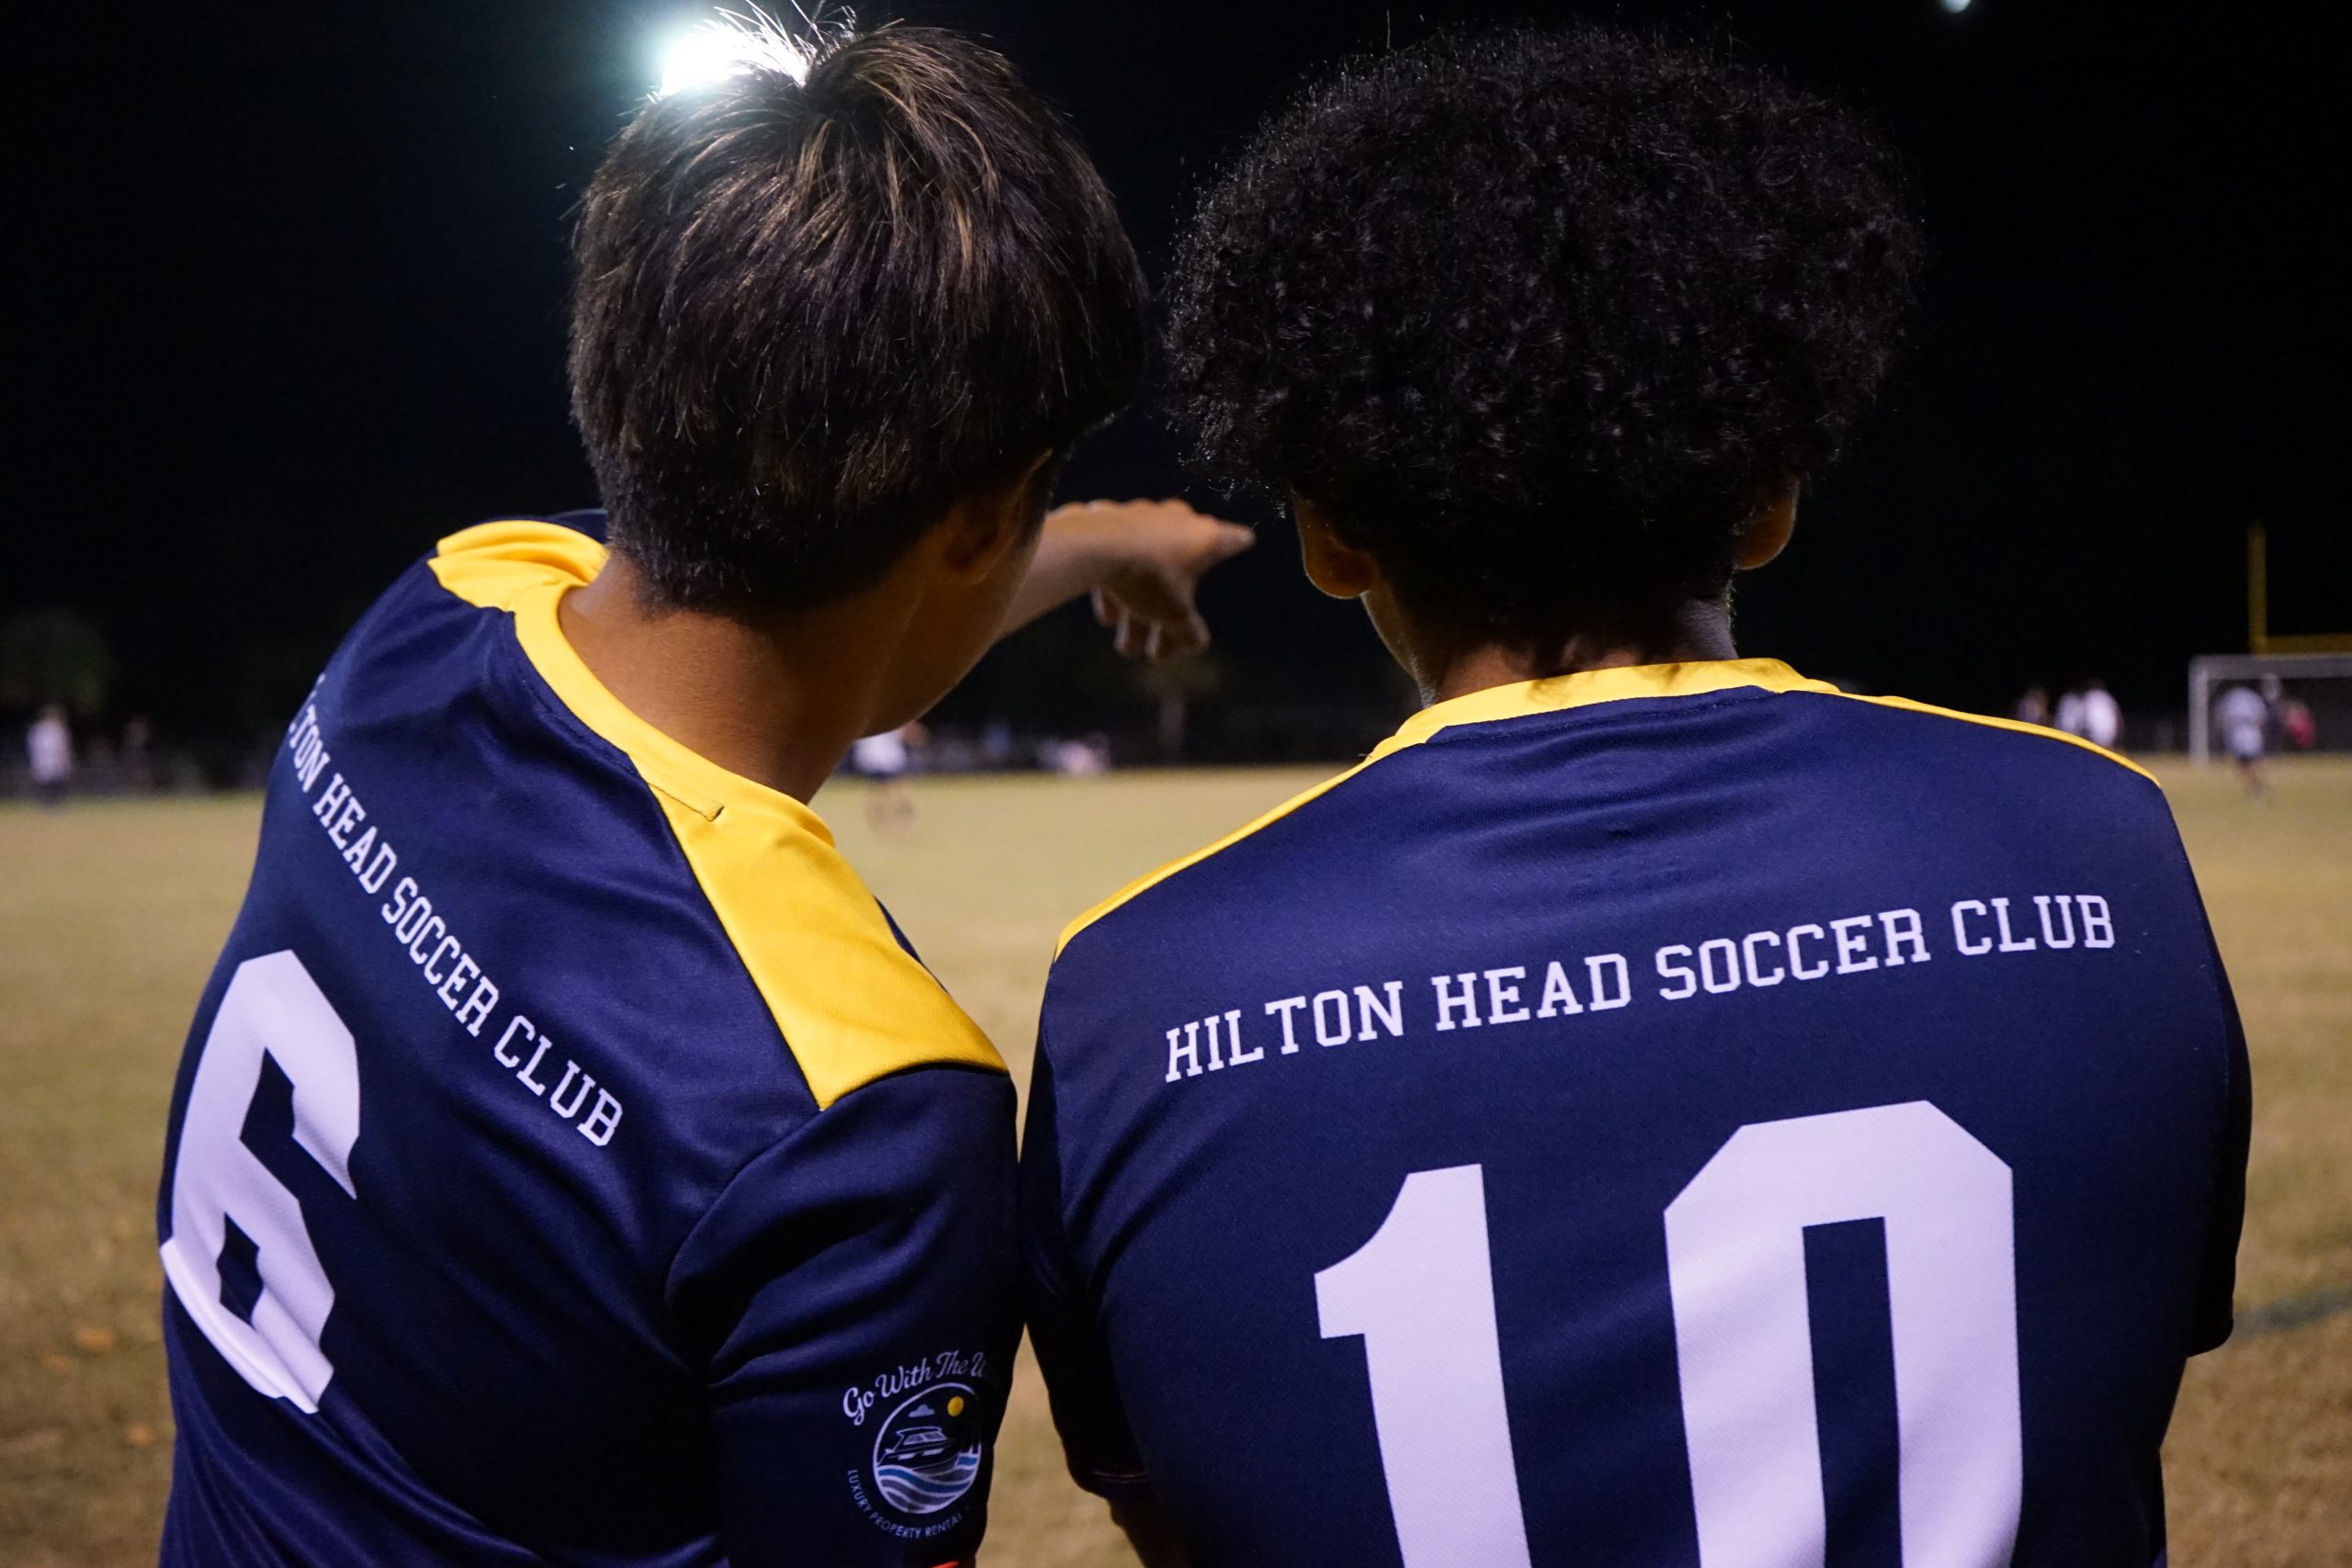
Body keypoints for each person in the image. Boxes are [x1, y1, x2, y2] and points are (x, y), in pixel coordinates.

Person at [1023, 27, 2248, 1567]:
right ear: (1772, 495)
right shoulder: (2097, 856)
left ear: (1329, 537)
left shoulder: (1140, 998)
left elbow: (1179, 1515)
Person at [154, 21, 1247, 1567]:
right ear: (978, 515)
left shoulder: (442, 607)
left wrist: (1086, 540)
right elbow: (843, 592)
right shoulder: (853, 1113)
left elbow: (785, 581)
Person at [852, 721, 922, 833]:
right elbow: (910, 733)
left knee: (878, 793)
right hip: (888, 759)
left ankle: (881, 821)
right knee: (898, 792)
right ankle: (903, 820)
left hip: (873, 759)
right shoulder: (891, 718)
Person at [2216, 677, 2275, 795]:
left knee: (2245, 761)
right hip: (2251, 731)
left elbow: (2221, 716)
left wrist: (2223, 730)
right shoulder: (2252, 697)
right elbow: (2262, 716)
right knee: (2250, 760)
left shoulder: (2230, 697)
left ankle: (2258, 785)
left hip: (2237, 732)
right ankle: (2258, 783)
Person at [26, 703, 73, 806]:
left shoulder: (54, 729)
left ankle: (53, 804)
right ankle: (48, 803)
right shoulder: (43, 730)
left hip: (51, 761)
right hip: (46, 761)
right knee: (47, 784)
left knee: (55, 783)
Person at [2079, 676, 2122, 750]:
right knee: (2105, 747)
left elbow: (2082, 715)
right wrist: (2119, 726)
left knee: (2096, 748)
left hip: (2094, 728)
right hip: (2107, 726)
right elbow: (2115, 713)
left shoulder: (2088, 696)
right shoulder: (2106, 696)